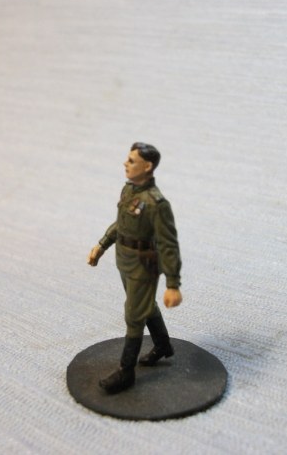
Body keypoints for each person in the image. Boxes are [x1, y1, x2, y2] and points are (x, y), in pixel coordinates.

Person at [87, 142, 183, 394]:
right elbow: (121, 224)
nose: (125, 164)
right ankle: (162, 345)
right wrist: (102, 244)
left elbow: (169, 245)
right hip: (125, 260)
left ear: (147, 166)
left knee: (133, 315)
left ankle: (126, 371)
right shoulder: (129, 190)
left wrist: (173, 284)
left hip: (143, 267)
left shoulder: (156, 204)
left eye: (131, 161)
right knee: (144, 306)